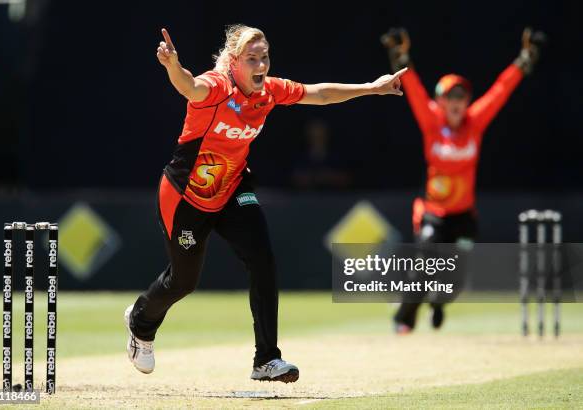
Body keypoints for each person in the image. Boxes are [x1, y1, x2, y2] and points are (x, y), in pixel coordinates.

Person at [124, 24, 406, 383]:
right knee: (183, 281)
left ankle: (266, 359)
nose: (261, 66)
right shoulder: (217, 87)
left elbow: (317, 94)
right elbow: (189, 87)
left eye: (265, 58)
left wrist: (371, 88)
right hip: (185, 197)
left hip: (232, 188)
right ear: (233, 61)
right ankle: (140, 321)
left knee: (263, 260)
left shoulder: (269, 92)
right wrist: (172, 67)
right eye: (252, 59)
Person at [381, 27, 545, 334]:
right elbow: (413, 91)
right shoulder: (431, 121)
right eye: (450, 96)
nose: (457, 101)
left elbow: (500, 91)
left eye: (462, 96)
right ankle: (404, 320)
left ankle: (440, 303)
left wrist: (524, 60)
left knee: (454, 278)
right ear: (440, 101)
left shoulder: (475, 122)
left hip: (464, 215)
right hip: (433, 211)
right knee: (425, 266)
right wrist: (400, 58)